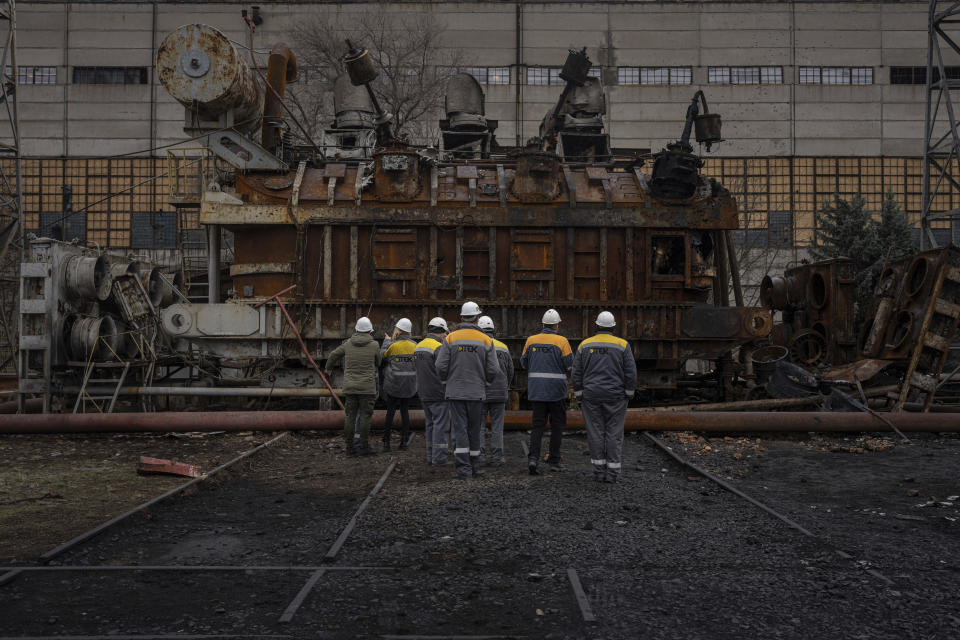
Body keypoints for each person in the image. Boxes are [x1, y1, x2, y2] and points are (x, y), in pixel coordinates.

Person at [572, 311, 637, 483]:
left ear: (597, 325)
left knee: (595, 433)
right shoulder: (622, 345)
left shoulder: (584, 345)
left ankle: (599, 471)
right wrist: (629, 393)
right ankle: (612, 473)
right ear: (614, 326)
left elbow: (576, 373)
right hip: (616, 397)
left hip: (591, 396)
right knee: (614, 433)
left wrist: (579, 394)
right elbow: (630, 372)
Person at [435, 301, 499, 479]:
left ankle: (463, 469)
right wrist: (486, 382)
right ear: (477, 319)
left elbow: (440, 365)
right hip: (476, 392)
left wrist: (446, 380)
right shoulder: (486, 340)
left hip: (455, 392)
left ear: (461, 317)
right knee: (474, 430)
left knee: (459, 429)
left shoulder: (451, 338)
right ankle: (475, 468)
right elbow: (493, 369)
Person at [520, 308, 573, 475]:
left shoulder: (531, 340)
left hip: (537, 391)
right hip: (557, 392)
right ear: (557, 325)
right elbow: (570, 365)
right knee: (557, 426)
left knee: (537, 426)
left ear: (542, 324)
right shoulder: (562, 342)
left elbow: (523, 363)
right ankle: (554, 461)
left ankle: (533, 459)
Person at [324, 316, 382, 456]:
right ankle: (364, 447)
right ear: (370, 331)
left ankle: (350, 448)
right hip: (367, 388)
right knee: (365, 417)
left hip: (350, 387)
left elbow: (333, 355)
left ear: (356, 329)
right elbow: (378, 363)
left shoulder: (348, 344)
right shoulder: (374, 345)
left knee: (350, 416)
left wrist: (328, 369)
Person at [477, 315, 513, 466]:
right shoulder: (503, 347)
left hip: (481, 392)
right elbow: (510, 371)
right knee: (497, 426)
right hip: (500, 392)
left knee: (479, 426)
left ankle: (479, 456)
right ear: (493, 330)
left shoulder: (477, 345)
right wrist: (506, 386)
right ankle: (497, 458)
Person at [414, 317, 450, 465]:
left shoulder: (418, 346)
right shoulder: (438, 347)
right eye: (445, 333)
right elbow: (444, 369)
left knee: (430, 425)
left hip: (423, 392)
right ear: (441, 332)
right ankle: (439, 458)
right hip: (438, 392)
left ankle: (430, 456)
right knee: (441, 426)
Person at [380, 318, 418, 452]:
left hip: (394, 385)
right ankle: (403, 443)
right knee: (404, 412)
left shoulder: (393, 345)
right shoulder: (415, 346)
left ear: (398, 330)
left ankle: (386, 443)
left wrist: (387, 341)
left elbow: (382, 357)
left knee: (390, 412)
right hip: (409, 385)